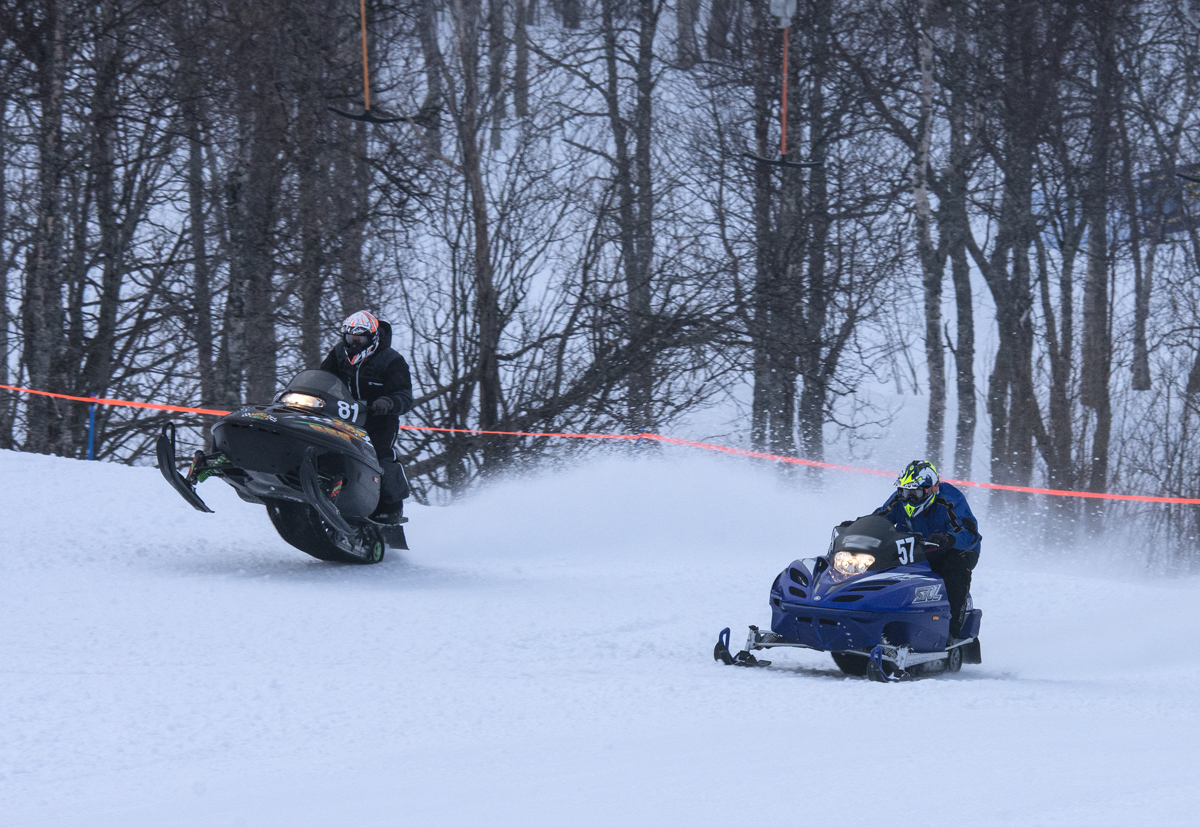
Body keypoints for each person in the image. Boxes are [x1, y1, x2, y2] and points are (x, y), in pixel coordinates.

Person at [319, 310, 414, 523]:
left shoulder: (391, 361)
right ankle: (320, 484)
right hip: (342, 414)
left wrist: (388, 402)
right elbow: (323, 377)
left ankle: (390, 508)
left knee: (380, 457)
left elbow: (405, 396)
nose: (354, 344)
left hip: (378, 420)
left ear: (372, 338)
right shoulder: (338, 355)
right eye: (350, 338)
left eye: (359, 339)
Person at [873, 460, 981, 639]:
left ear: (932, 488)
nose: (909, 497)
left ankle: (951, 631)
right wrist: (861, 525)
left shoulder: (950, 501)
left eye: (915, 492)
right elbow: (881, 516)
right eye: (905, 491)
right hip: (915, 547)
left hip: (957, 548)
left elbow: (970, 533)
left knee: (954, 566)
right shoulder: (899, 498)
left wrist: (949, 538)